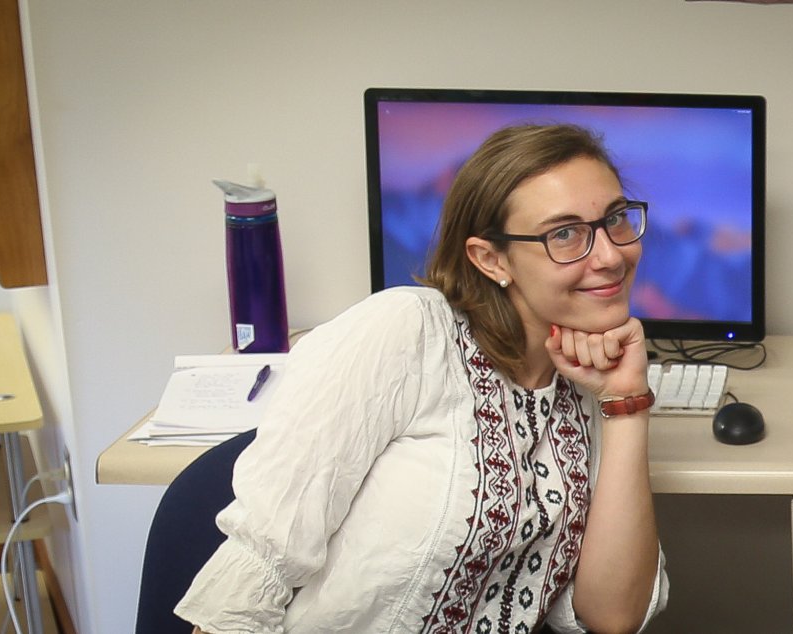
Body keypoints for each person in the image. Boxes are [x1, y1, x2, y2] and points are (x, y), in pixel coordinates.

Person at [177, 123, 669, 633]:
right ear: (490, 258)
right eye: (564, 234)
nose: (612, 255)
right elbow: (254, 572)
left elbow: (613, 617)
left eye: (615, 219)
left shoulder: (585, 383)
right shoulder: (404, 332)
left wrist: (626, 402)